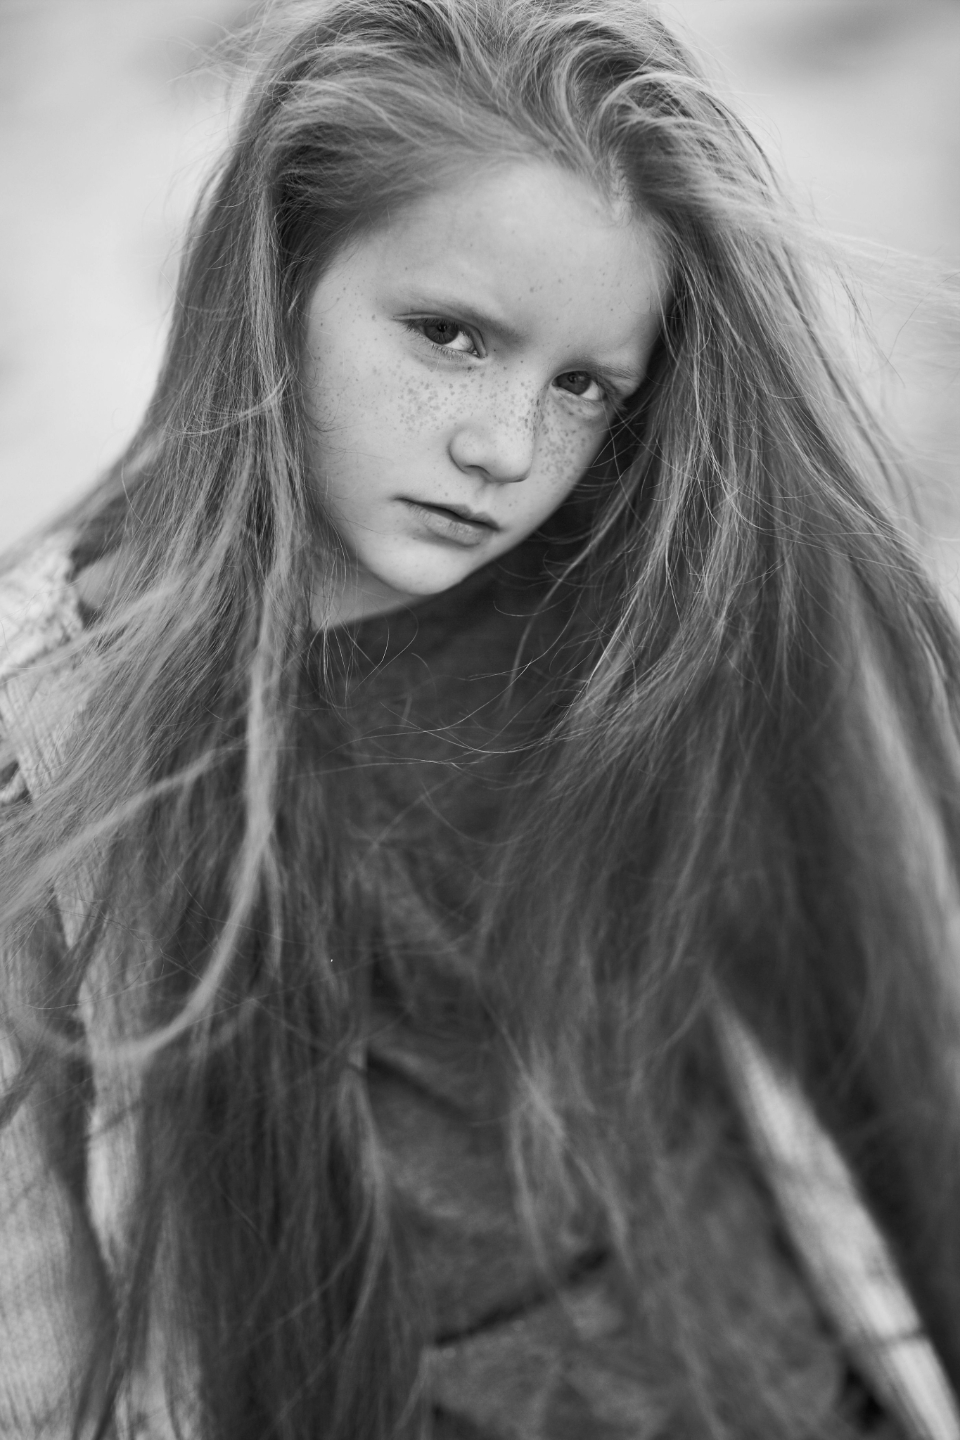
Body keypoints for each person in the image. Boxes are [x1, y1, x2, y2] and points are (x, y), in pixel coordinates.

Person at [0, 0, 958, 1436]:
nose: (504, 449)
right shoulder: (58, 742)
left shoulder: (641, 616)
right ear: (278, 274)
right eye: (450, 336)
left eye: (582, 386)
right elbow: (35, 1325)